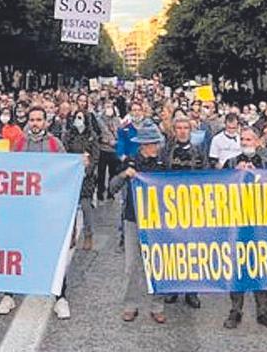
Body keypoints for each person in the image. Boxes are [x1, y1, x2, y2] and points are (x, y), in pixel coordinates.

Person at [3, 107, 73, 320]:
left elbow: (67, 170)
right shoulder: (20, 144)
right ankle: (8, 294)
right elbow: (8, 168)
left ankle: (60, 297)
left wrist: (82, 164)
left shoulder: (54, 144)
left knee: (54, 251)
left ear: (45, 122)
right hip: (25, 207)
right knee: (16, 250)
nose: (35, 123)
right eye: (32, 120)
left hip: (49, 207)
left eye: (39, 120)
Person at [223, 126, 267, 331]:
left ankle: (263, 311)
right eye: (243, 139)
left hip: (260, 222)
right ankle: (235, 310)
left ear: (258, 142)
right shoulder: (231, 162)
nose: (246, 143)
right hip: (238, 222)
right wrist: (233, 175)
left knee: (260, 265)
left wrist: (260, 177)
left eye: (249, 139)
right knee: (238, 266)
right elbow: (218, 187)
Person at [108, 121, 167, 324]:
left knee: (158, 264)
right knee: (132, 266)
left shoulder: (163, 163)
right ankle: (130, 305)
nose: (154, 147)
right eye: (150, 144)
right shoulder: (131, 162)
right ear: (142, 145)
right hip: (133, 219)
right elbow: (112, 188)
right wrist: (125, 174)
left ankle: (157, 305)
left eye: (156, 143)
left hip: (158, 221)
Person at [162, 114, 208, 309]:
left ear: (191, 131)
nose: (182, 131)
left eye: (185, 128)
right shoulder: (166, 152)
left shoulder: (199, 152)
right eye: (179, 128)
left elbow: (206, 177)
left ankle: (192, 290)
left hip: (193, 207)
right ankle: (172, 287)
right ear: (174, 131)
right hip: (171, 207)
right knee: (172, 248)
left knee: (193, 249)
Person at [65, 109, 100, 250]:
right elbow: (65, 152)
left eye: (80, 118)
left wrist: (88, 169)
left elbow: (96, 155)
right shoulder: (69, 135)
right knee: (71, 209)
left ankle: (88, 235)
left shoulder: (92, 136)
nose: (77, 121)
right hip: (72, 176)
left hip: (87, 178)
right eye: (76, 117)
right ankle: (71, 235)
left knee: (86, 207)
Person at [96, 100, 121, 202]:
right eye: (107, 106)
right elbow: (97, 135)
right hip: (103, 150)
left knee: (113, 173)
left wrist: (117, 141)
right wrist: (105, 141)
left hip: (114, 151)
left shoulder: (117, 120)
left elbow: (121, 133)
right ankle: (100, 192)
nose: (109, 109)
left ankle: (111, 192)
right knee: (101, 173)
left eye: (110, 106)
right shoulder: (99, 120)